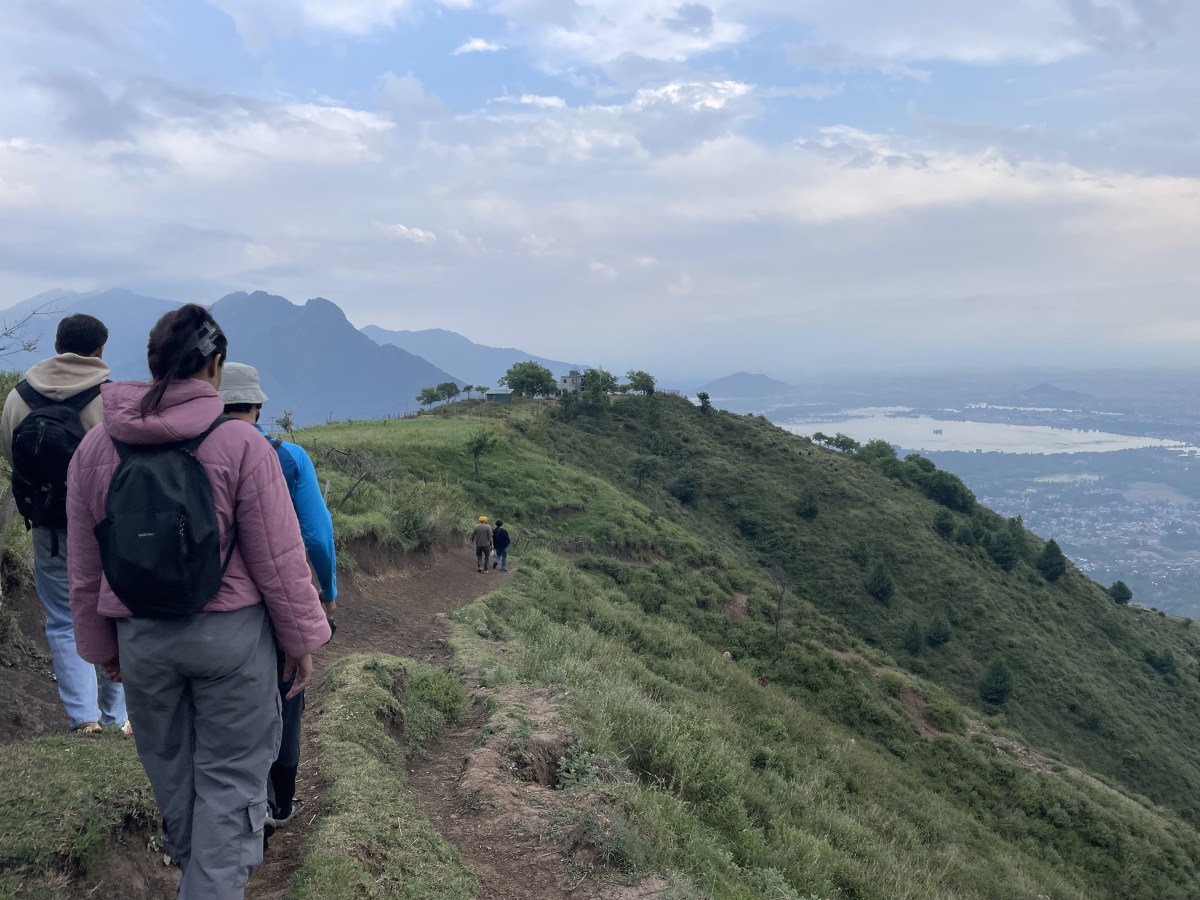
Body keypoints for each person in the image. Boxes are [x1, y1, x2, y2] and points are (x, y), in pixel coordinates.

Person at [67, 304, 330, 899]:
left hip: (141, 641)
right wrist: (303, 641)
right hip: (231, 643)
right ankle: (211, 886)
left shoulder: (96, 449)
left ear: (153, 363)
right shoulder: (240, 443)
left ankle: (200, 879)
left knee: (173, 775)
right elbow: (280, 559)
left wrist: (101, 645)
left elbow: (86, 569)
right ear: (213, 366)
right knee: (232, 781)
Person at [219, 362, 336, 836]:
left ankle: (226, 813)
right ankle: (277, 804)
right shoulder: (287, 456)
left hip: (202, 611)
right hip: (272, 602)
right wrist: (327, 593)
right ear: (260, 406)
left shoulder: (186, 450)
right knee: (286, 694)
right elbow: (317, 535)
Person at [0, 313, 129, 735]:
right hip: (104, 526)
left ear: (57, 345)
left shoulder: (19, 396)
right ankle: (116, 718)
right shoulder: (109, 399)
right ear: (100, 350)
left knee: (61, 617)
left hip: (47, 523)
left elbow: (10, 455)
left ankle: (83, 719)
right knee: (115, 611)